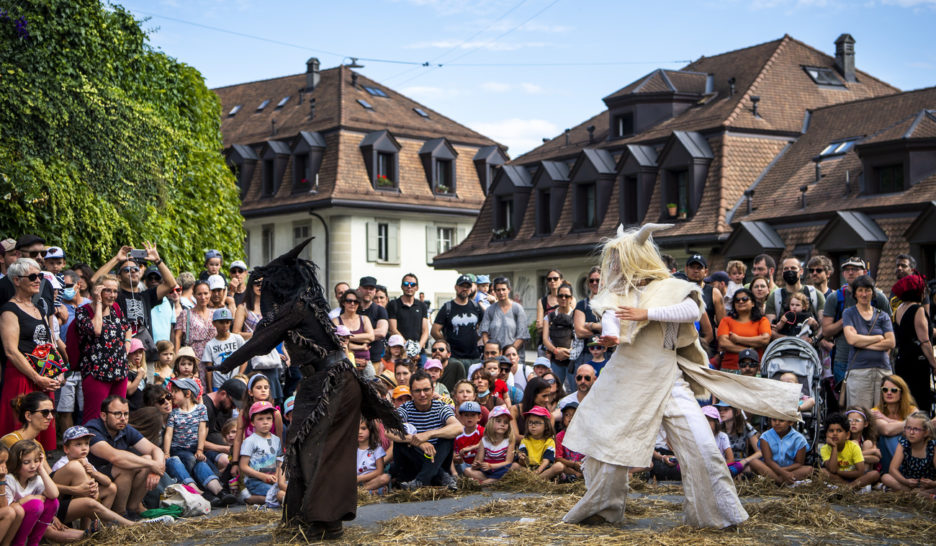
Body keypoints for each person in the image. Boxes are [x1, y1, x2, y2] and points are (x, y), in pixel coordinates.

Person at [561, 224, 802, 529]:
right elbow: (611, 317)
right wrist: (610, 334)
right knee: (610, 450)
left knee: (702, 445)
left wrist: (646, 314)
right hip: (626, 380)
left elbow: (691, 311)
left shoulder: (674, 287)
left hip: (668, 379)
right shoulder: (620, 293)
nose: (616, 267)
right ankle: (599, 511)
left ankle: (718, 517)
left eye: (622, 259)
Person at [0, 259, 66, 450]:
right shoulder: (9, 310)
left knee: (43, 428)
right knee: (21, 430)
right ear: (17, 281)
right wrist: (37, 377)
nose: (38, 280)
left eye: (40, 276)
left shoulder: (39, 308)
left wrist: (58, 371)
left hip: (43, 377)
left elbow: (48, 345)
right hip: (22, 376)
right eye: (32, 276)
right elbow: (11, 351)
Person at [91, 243, 176, 363]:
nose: (132, 272)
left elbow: (171, 284)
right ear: (119, 277)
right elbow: (95, 281)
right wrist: (117, 259)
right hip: (122, 352)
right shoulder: (114, 295)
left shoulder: (146, 295)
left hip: (145, 354)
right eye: (126, 270)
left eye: (135, 269)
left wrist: (157, 260)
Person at [86, 396, 166, 518]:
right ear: (103, 416)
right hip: (92, 480)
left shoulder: (125, 429)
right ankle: (121, 514)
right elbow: (115, 457)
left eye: (126, 414)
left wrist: (157, 469)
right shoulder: (92, 429)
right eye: (117, 414)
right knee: (126, 466)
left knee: (148, 459)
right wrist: (152, 465)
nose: (123, 419)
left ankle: (133, 508)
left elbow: (155, 449)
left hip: (113, 477)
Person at [164, 378, 236, 507]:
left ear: (188, 394)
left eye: (175, 392)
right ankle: (199, 492)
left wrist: (200, 449)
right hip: (179, 450)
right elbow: (169, 433)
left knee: (200, 463)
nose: (172, 395)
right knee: (187, 459)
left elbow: (202, 430)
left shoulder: (201, 409)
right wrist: (166, 452)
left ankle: (220, 492)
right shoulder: (174, 413)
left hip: (194, 448)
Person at [388, 371, 462, 490]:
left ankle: (421, 481)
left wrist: (428, 435)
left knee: (447, 437)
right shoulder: (405, 408)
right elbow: (389, 430)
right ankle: (441, 475)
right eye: (417, 391)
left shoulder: (440, 407)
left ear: (433, 390)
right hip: (413, 466)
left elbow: (458, 427)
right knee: (401, 440)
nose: (422, 394)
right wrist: (417, 441)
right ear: (411, 393)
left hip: (437, 458)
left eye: (426, 389)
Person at [822, 257, 890, 386]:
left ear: (865, 272)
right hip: (844, 359)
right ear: (843, 274)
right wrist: (847, 318)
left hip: (874, 360)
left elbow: (891, 333)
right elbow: (826, 331)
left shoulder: (878, 297)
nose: (851, 272)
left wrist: (885, 359)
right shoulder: (835, 298)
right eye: (847, 270)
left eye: (855, 269)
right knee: (847, 403)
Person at [841, 275, 895, 410]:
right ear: (855, 293)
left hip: (883, 370)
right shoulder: (849, 313)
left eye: (867, 290)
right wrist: (878, 338)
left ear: (873, 292)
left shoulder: (883, 315)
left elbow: (891, 343)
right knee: (859, 414)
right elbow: (851, 340)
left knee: (883, 413)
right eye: (860, 290)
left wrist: (861, 341)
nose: (864, 294)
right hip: (859, 371)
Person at [891, 274, 935, 413]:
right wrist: (934, 363)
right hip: (917, 362)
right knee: (921, 402)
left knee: (907, 403)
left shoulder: (899, 309)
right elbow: (924, 341)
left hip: (902, 360)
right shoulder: (918, 310)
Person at [5, 440, 59, 545]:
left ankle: (33, 542)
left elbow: (54, 494)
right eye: (26, 462)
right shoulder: (9, 480)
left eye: (36, 460)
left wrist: (42, 469)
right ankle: (18, 543)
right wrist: (29, 499)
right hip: (11, 526)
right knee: (36, 504)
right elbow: (7, 509)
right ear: (16, 462)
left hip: (28, 523)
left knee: (53, 502)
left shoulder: (35, 479)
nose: (33, 466)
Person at [871, 374, 919, 474]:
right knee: (889, 437)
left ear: (902, 393)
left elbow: (920, 429)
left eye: (893, 390)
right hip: (887, 457)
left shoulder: (911, 410)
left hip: (911, 453)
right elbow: (887, 430)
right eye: (885, 390)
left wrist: (885, 419)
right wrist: (911, 424)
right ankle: (906, 472)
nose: (889, 393)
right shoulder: (875, 412)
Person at [879, 411, 936, 495]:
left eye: (916, 429)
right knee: (885, 477)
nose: (911, 432)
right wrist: (905, 481)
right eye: (908, 428)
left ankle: (912, 493)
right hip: (908, 483)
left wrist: (932, 483)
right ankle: (914, 493)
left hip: (928, 484)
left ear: (926, 432)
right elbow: (892, 469)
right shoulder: (904, 443)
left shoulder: (932, 446)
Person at [174, 280, 217, 388]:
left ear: (210, 293)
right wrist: (177, 360)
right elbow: (177, 337)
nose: (203, 297)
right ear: (194, 295)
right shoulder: (186, 314)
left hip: (214, 359)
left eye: (206, 293)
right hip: (193, 360)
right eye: (199, 294)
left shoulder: (215, 314)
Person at [819, 413, 878, 490]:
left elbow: (860, 472)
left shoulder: (854, 447)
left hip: (855, 478)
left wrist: (839, 471)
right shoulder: (824, 449)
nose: (835, 434)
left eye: (839, 430)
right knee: (823, 472)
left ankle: (848, 488)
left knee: (874, 474)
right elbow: (832, 470)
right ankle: (849, 488)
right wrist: (834, 447)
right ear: (826, 434)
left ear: (847, 435)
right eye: (831, 431)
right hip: (838, 479)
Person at [717, 288, 770, 373]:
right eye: (737, 300)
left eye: (744, 299)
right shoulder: (726, 321)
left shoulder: (762, 321)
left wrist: (738, 339)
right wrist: (749, 350)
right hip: (730, 368)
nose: (741, 302)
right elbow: (723, 343)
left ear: (752, 303)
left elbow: (765, 339)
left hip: (755, 370)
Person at [432, 275, 483, 364]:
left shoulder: (476, 307)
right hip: (454, 358)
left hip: (474, 357)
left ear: (471, 289)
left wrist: (476, 338)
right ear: (456, 287)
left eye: (468, 287)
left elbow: (485, 325)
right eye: (462, 286)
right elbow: (434, 331)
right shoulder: (448, 307)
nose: (465, 289)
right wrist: (446, 345)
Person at [239, 401, 282, 505]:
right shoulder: (250, 441)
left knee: (285, 490)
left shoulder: (276, 440)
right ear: (253, 422)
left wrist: (277, 475)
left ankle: (266, 499)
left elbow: (279, 461)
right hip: (255, 481)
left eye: (268, 418)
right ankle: (249, 499)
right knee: (276, 494)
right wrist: (262, 476)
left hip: (273, 480)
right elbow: (243, 466)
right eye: (260, 419)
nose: (265, 422)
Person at [480, 277, 530, 365]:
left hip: (513, 358)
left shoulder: (517, 309)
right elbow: (484, 334)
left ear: (509, 290)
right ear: (494, 291)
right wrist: (492, 351)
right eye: (498, 290)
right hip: (494, 359)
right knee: (497, 379)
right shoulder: (490, 310)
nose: (501, 292)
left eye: (503, 289)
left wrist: (508, 352)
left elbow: (522, 336)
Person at [748, 417, 812, 486]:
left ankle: (775, 481)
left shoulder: (799, 439)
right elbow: (768, 461)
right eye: (774, 420)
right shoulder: (765, 436)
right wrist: (783, 473)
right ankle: (782, 481)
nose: (777, 423)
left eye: (781, 420)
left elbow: (799, 463)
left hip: (790, 470)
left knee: (809, 469)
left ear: (791, 422)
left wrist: (783, 471)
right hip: (771, 469)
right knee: (753, 462)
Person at [765, 257, 824, 325]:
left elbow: (823, 325)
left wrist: (815, 335)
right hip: (783, 335)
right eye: (786, 269)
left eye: (793, 268)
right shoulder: (775, 297)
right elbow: (771, 329)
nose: (789, 271)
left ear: (801, 271)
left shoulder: (815, 294)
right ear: (782, 273)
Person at [463, 406, 513, 485]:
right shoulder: (484, 440)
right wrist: (476, 465)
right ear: (491, 422)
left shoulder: (509, 440)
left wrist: (491, 466)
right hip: (487, 471)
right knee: (467, 470)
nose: (502, 424)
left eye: (506, 422)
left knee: (514, 467)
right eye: (498, 421)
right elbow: (479, 461)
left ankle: (483, 483)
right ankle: (493, 482)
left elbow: (508, 462)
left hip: (501, 470)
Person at [514, 406, 565, 481]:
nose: (533, 426)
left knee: (559, 466)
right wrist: (522, 458)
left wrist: (537, 472)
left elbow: (546, 461)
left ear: (546, 426)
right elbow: (523, 463)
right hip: (529, 469)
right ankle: (536, 480)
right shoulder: (525, 440)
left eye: (537, 423)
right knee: (514, 466)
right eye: (530, 422)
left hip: (543, 468)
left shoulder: (549, 441)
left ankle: (535, 480)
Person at [201, 308, 245, 392]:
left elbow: (245, 358)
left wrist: (240, 374)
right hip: (218, 384)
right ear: (214, 323)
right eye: (221, 322)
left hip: (235, 382)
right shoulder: (210, 345)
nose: (225, 325)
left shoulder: (237, 338)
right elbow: (209, 369)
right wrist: (210, 390)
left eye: (227, 322)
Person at [332, 290, 374, 375]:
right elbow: (337, 342)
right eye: (349, 301)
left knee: (374, 385)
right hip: (344, 364)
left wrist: (347, 337)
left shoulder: (364, 319)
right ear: (343, 303)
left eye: (356, 301)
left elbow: (371, 337)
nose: (352, 304)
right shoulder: (336, 321)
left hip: (365, 363)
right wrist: (362, 345)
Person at [543, 282, 576, 391]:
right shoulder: (549, 317)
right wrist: (556, 351)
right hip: (555, 360)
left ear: (571, 298)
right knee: (553, 391)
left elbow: (579, 338)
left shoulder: (577, 315)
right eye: (560, 296)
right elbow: (545, 339)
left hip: (572, 360)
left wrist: (568, 352)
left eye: (566, 296)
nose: (563, 298)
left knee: (574, 390)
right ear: (557, 298)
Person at [386, 274, 429, 351]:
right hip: (400, 350)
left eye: (412, 284)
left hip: (418, 350)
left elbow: (425, 331)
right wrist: (408, 346)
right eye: (406, 284)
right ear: (402, 286)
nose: (409, 286)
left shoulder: (422, 306)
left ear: (417, 288)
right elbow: (393, 329)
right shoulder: (393, 304)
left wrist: (418, 347)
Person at [715, 402, 761, 474]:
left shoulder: (746, 426)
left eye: (726, 409)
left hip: (742, 464)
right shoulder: (718, 428)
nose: (722, 412)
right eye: (720, 410)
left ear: (737, 412)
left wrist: (744, 461)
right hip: (724, 464)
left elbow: (760, 452)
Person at [357, 277, 389, 372]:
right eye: (365, 288)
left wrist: (353, 335)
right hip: (353, 358)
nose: (368, 291)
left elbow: (381, 333)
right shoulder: (352, 307)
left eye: (371, 289)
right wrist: (369, 335)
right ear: (359, 289)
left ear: (375, 291)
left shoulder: (380, 310)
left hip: (374, 359)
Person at [356, 418, 388, 494]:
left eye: (363, 428)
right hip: (354, 481)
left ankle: (360, 491)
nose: (359, 432)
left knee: (385, 478)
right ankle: (371, 492)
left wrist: (360, 478)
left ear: (370, 430)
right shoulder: (351, 449)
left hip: (371, 480)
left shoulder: (377, 448)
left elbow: (380, 471)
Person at [845, 406, 881, 473]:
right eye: (849, 421)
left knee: (868, 443)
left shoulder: (868, 439)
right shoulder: (844, 438)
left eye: (857, 420)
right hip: (848, 470)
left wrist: (855, 457)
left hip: (864, 471)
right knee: (854, 442)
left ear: (865, 424)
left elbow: (876, 459)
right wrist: (872, 452)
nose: (853, 423)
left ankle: (864, 475)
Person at [555, 402, 585, 481]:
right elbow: (558, 458)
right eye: (567, 415)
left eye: (574, 415)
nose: (570, 418)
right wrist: (573, 464)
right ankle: (575, 476)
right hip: (568, 467)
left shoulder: (586, 435)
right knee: (559, 465)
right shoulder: (560, 436)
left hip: (583, 467)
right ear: (563, 419)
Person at [453, 401, 483, 475]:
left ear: (479, 417)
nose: (469, 418)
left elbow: (487, 443)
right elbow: (454, 450)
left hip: (479, 465)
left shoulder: (482, 431)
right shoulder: (458, 434)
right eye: (466, 415)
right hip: (463, 464)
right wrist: (455, 456)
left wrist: (470, 448)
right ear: (461, 417)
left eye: (473, 415)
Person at [535, 270, 563, 343]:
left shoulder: (570, 299)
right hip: (546, 342)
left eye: (555, 278)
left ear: (561, 281)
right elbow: (539, 327)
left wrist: (548, 324)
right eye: (549, 279)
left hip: (564, 341)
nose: (552, 281)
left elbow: (572, 323)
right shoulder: (542, 301)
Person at [233, 274, 263, 341]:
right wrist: (255, 335)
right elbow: (235, 333)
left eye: (263, 283)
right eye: (257, 283)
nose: (260, 286)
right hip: (251, 347)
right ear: (251, 285)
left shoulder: (273, 307)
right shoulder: (243, 307)